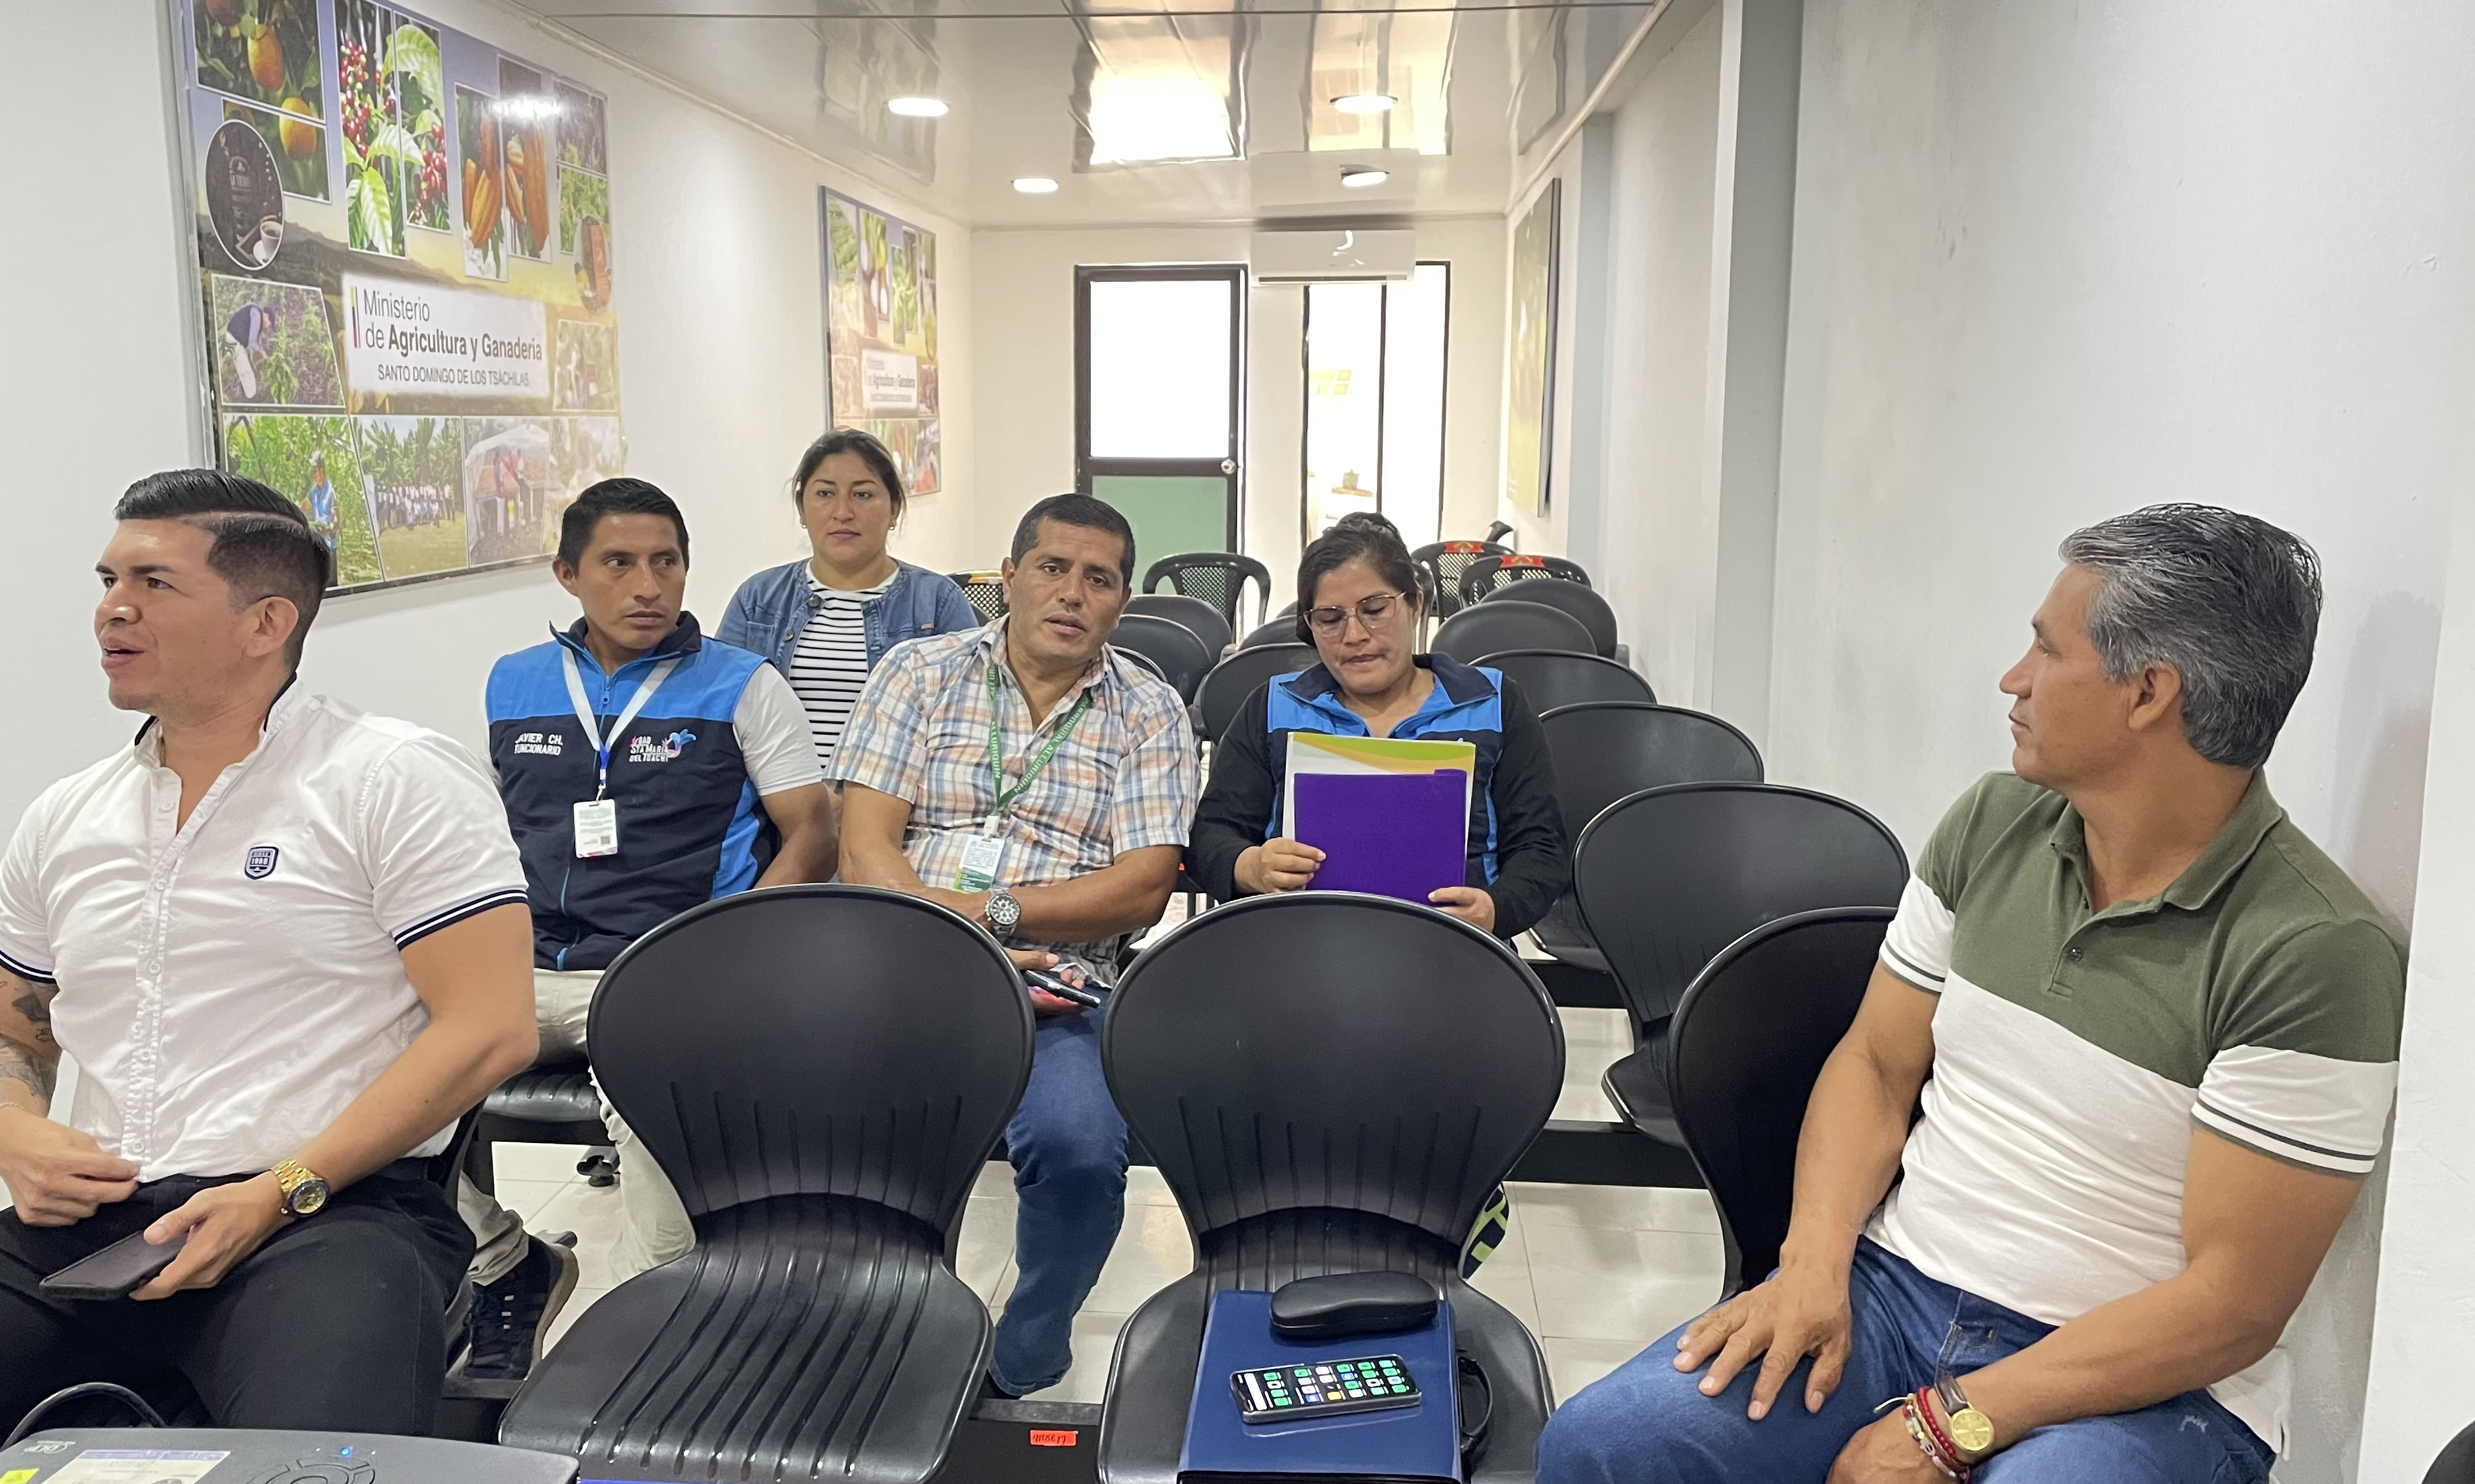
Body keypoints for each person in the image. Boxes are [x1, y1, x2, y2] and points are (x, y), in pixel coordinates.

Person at [1535, 506, 2403, 1484]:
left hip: (2150, 1389)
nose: (2013, 680)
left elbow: (2232, 1307)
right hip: (1896, 1293)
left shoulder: (2314, 952)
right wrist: (1810, 1263)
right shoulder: (1995, 823)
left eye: (2047, 650)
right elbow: (1876, 1065)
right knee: (1606, 1446)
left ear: (2149, 693)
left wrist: (1950, 1424)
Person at [0, 471, 537, 1449]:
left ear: (266, 623)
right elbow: (0, 1027)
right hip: (99, 1232)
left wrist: (281, 1190)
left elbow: (491, 1028)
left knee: (320, 1463)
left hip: (324, 1217)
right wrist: (9, 1132)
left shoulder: (391, 779)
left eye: (154, 583)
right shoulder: (69, 815)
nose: (112, 609)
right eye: (108, 580)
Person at [461, 477, 838, 1380]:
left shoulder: (743, 684)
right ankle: (504, 1258)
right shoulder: (514, 682)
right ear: (568, 574)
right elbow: (480, 833)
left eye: (666, 563)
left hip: (663, 970)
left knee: (659, 1187)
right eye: (619, 564)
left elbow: (813, 835)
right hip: (525, 967)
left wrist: (729, 950)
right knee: (355, 1063)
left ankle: (638, 1349)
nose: (647, 586)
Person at [834, 493, 1197, 1397]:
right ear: (1008, 577)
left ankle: (1028, 1348)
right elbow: (865, 849)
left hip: (1062, 986)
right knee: (845, 1139)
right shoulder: (917, 673)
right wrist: (956, 931)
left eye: (1099, 579)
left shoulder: (1149, 710)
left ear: (1122, 602)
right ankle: (888, 1338)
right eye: (1052, 568)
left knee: (1079, 1151)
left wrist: (991, 914)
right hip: (905, 970)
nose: (1073, 593)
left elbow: (1142, 887)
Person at [1188, 510, 1567, 940]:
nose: (1354, 635)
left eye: (1374, 610)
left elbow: (1541, 848)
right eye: (1330, 619)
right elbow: (1211, 835)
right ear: (1310, 625)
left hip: (1456, 946)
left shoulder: (1492, 703)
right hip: (1302, 945)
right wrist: (1251, 867)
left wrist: (1496, 909)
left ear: (1415, 605)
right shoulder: (1275, 707)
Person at [718, 427, 982, 769]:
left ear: (894, 508)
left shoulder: (937, 602)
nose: (842, 512)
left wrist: (856, 796)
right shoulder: (758, 600)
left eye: (863, 495)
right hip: (777, 798)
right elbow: (719, 717)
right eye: (825, 493)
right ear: (802, 509)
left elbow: (966, 732)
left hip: (896, 799)